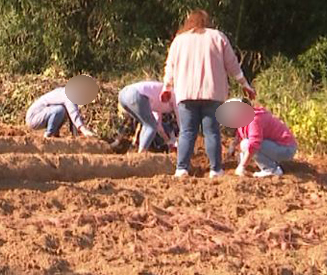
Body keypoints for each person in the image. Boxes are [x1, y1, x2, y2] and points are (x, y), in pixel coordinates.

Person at [162, 10, 255, 178]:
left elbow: (170, 66)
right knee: (211, 132)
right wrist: (245, 84)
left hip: (186, 93)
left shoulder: (179, 40)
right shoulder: (218, 37)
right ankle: (215, 170)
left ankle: (181, 168)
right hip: (213, 92)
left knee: (187, 131)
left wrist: (166, 88)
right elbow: (232, 64)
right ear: (207, 21)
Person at [233, 98, 296, 178]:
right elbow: (241, 135)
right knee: (244, 144)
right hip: (279, 146)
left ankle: (271, 169)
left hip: (286, 149)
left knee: (247, 144)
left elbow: (254, 144)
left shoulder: (254, 120)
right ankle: (271, 163)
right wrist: (234, 148)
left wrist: (242, 166)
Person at [117, 80, 177, 153]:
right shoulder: (175, 97)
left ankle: (140, 152)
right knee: (150, 126)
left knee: (147, 125)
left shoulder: (159, 102)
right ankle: (141, 154)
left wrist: (169, 142)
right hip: (135, 94)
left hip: (123, 95)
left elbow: (158, 126)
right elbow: (182, 124)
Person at [26, 86, 97, 139]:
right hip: (34, 118)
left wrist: (76, 136)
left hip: (41, 115)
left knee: (64, 111)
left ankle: (54, 133)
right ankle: (48, 135)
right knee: (60, 110)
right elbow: (73, 113)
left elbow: (72, 116)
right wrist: (84, 130)